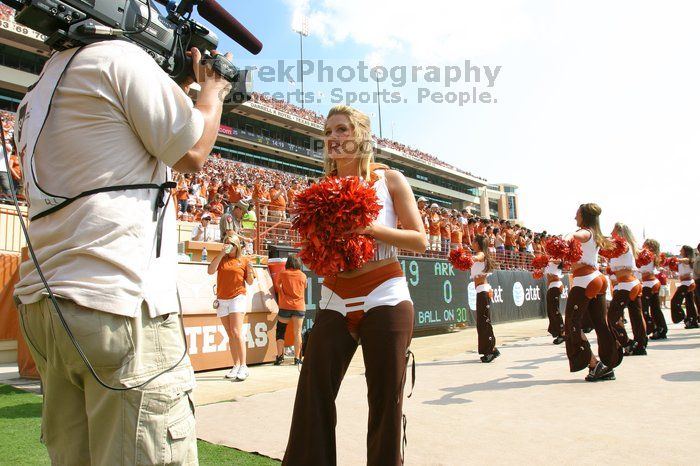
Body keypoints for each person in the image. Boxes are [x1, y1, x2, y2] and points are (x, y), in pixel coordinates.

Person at [13, 38, 233, 464]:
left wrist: (177, 85)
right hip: (117, 303)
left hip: (49, 303)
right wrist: (213, 89)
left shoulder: (39, 88)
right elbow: (192, 152)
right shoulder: (119, 56)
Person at [283, 105, 427, 465]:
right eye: (328, 132)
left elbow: (420, 240)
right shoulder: (320, 190)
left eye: (342, 130)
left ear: (361, 135)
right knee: (312, 391)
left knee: (385, 401)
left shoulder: (389, 179)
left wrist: (370, 229)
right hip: (335, 293)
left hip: (385, 292)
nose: (333, 138)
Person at [563, 204, 622, 382]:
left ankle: (595, 364)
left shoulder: (586, 232)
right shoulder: (595, 234)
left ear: (583, 216)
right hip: (597, 279)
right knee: (600, 323)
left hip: (585, 281)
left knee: (572, 323)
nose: (575, 218)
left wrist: (566, 237)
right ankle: (610, 362)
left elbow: (573, 235)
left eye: (577, 215)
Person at [208, 234, 254, 380]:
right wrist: (222, 253)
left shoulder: (244, 260)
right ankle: (236, 364)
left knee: (236, 331)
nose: (228, 245)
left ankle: (244, 366)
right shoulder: (222, 259)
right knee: (230, 334)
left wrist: (251, 270)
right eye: (226, 243)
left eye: (230, 243)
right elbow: (210, 270)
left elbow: (250, 281)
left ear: (237, 246)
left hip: (237, 297)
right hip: (222, 298)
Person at [607, 223, 647, 356]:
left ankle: (628, 343)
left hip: (626, 285)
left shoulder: (622, 245)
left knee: (612, 317)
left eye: (613, 229)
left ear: (619, 231)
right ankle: (640, 345)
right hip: (630, 284)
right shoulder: (624, 245)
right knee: (636, 316)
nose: (611, 232)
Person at [273, 255, 307, 365]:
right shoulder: (303, 275)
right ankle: (297, 359)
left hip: (285, 306)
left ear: (288, 263)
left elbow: (277, 285)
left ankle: (280, 357)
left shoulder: (283, 273)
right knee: (297, 333)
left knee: (280, 331)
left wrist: (282, 292)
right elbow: (305, 286)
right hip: (299, 307)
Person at [471, 234, 500, 362]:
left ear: (477, 243)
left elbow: (477, 257)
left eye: (473, 241)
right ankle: (490, 349)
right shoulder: (481, 255)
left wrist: (467, 257)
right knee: (482, 322)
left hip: (483, 291)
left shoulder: (481, 254)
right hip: (481, 291)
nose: (472, 243)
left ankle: (491, 350)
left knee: (484, 322)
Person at [639, 239, 667, 340]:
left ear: (649, 245)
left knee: (644, 309)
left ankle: (651, 327)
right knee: (655, 308)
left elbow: (641, 269)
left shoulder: (647, 255)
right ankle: (661, 329)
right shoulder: (653, 256)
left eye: (644, 243)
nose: (642, 245)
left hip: (648, 284)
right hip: (653, 282)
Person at [672, 245, 698, 329]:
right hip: (685, 283)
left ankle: (682, 316)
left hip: (687, 284)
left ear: (686, 251)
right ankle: (692, 321)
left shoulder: (687, 259)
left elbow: (685, 260)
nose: (680, 251)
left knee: (675, 301)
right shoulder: (682, 261)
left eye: (681, 250)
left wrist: (674, 260)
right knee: (689, 303)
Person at [544, 258, 566, 344]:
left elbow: (560, 261)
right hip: (551, 287)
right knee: (551, 311)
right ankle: (558, 332)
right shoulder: (550, 261)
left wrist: (548, 261)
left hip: (556, 286)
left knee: (555, 311)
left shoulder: (556, 258)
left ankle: (562, 333)